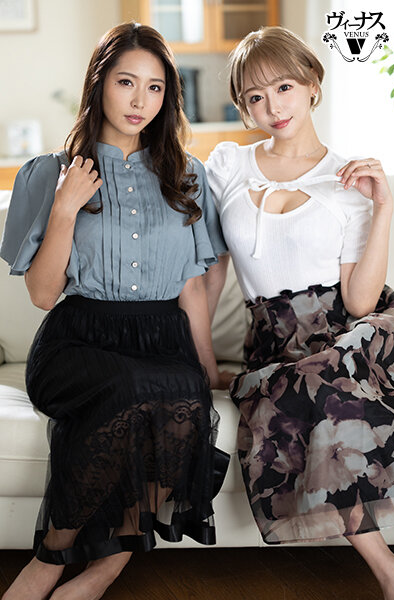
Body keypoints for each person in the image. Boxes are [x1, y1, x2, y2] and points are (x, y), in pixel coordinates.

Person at [0, 21, 231, 600]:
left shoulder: (187, 175)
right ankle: (49, 561)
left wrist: (206, 368)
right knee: (130, 389)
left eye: (155, 87)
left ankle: (103, 570)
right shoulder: (49, 172)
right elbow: (43, 295)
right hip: (79, 339)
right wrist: (64, 210)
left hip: (162, 337)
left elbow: (191, 286)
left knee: (182, 393)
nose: (139, 100)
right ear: (99, 83)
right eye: (126, 82)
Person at [205, 25, 394, 600]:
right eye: (255, 97)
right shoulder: (228, 166)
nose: (273, 107)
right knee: (301, 389)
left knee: (320, 387)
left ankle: (389, 574)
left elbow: (360, 302)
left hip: (346, 331)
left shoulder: (348, 179)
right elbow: (209, 273)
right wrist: (199, 358)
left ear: (313, 83)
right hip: (273, 340)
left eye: (284, 87)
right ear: (243, 107)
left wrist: (383, 207)